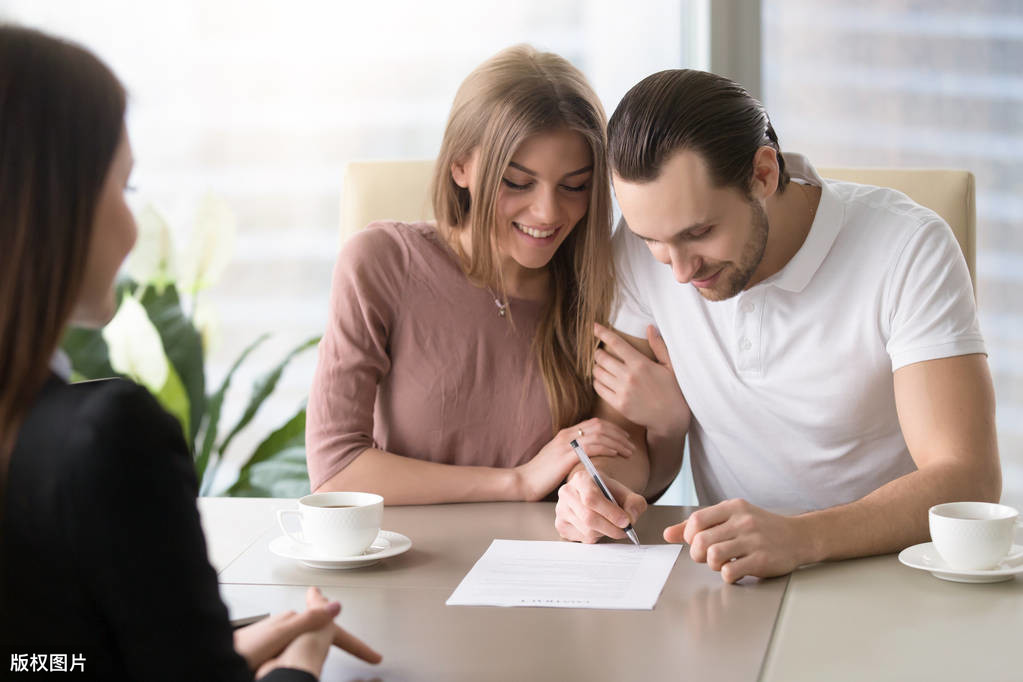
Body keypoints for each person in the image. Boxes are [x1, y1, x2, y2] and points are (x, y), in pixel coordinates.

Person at [0, 25, 380, 679]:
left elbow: (49, 658)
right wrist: (302, 660)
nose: (134, 225)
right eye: (124, 188)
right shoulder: (109, 437)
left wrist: (207, 654)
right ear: (53, 205)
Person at [554, 68, 1001, 583]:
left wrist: (803, 536)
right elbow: (625, 443)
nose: (678, 271)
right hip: (735, 582)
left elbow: (968, 480)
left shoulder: (908, 248)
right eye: (652, 239)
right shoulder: (638, 251)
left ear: (764, 174)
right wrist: (599, 489)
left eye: (699, 232)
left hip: (890, 575)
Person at [307, 45, 678, 506]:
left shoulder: (604, 283)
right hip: (409, 564)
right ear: (460, 166)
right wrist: (517, 482)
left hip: (546, 563)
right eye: (517, 182)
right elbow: (336, 471)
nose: (547, 212)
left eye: (575, 186)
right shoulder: (380, 263)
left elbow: (621, 451)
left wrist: (595, 488)